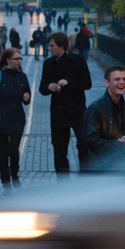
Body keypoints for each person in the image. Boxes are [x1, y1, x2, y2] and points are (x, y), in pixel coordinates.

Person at [39, 32, 92, 179]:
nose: (49, 49)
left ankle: (86, 178)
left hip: (77, 111)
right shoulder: (48, 64)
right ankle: (63, 183)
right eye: (48, 46)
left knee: (83, 145)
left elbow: (87, 83)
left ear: (61, 46)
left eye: (52, 46)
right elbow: (42, 87)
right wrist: (49, 87)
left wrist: (69, 82)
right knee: (60, 151)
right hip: (58, 112)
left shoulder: (78, 61)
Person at [0, 48, 31, 196]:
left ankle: (15, 175)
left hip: (17, 119)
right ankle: (6, 185)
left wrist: (26, 98)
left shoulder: (22, 76)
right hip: (1, 121)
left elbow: (27, 97)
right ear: (7, 60)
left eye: (20, 59)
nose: (19, 61)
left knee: (13, 150)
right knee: (4, 154)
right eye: (16, 59)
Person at [84, 66, 125, 171]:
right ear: (107, 83)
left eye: (124, 79)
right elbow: (91, 141)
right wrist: (121, 145)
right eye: (117, 79)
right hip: (102, 167)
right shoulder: (95, 108)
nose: (122, 82)